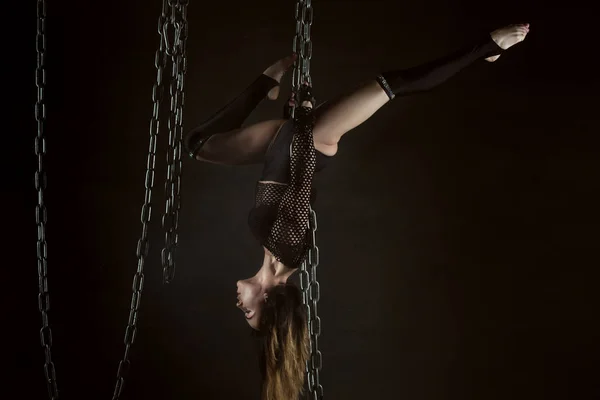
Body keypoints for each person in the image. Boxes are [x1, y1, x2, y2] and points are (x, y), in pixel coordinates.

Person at [184, 23, 530, 400]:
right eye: (249, 314)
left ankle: (265, 85)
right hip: (307, 142)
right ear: (266, 302)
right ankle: (487, 45)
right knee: (394, 84)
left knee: (201, 146)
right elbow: (299, 189)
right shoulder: (287, 250)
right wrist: (301, 124)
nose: (240, 308)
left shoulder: (274, 255)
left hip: (279, 147)